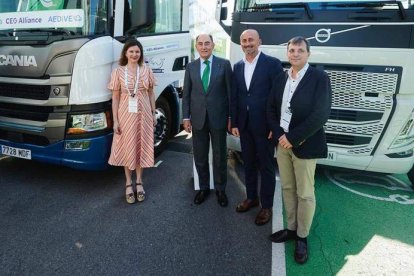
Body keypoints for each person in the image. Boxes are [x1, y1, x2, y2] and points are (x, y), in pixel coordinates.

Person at [267, 36, 331, 264]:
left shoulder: (319, 78)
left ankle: (302, 237)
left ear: (308, 54)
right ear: (287, 53)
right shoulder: (280, 78)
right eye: (291, 50)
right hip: (282, 143)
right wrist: (278, 134)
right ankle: (291, 229)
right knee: (287, 188)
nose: (295, 54)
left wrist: (293, 138)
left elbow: (321, 114)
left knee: (305, 193)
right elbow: (271, 108)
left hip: (304, 145)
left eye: (300, 50)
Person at [231, 29, 283, 225]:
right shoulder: (237, 66)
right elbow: (235, 96)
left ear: (259, 41)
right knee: (249, 164)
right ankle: (251, 198)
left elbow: (279, 96)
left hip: (265, 127)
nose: (247, 43)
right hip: (244, 125)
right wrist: (234, 122)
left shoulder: (272, 64)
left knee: (267, 167)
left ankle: (266, 206)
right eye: (244, 40)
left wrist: (275, 125)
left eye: (251, 40)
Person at [182, 34, 232, 207]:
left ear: (213, 45)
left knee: (220, 156)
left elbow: (230, 94)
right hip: (197, 119)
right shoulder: (191, 67)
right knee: (200, 156)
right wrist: (185, 117)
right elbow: (186, 94)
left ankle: (220, 189)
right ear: (196, 46)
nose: (204, 47)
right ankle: (203, 188)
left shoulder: (224, 65)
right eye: (201, 44)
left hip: (219, 118)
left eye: (207, 43)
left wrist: (231, 117)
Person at [107, 39, 157, 204]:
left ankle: (139, 182)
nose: (135, 54)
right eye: (131, 51)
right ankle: (128, 183)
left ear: (140, 53)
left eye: (137, 51)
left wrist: (153, 113)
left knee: (141, 146)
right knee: (127, 147)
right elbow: (115, 98)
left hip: (144, 116)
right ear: (126, 53)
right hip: (125, 116)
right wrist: (115, 121)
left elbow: (150, 94)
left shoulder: (146, 70)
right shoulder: (118, 72)